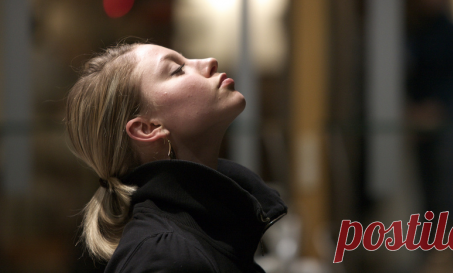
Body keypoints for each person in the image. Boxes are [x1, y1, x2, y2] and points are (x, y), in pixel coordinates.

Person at [65, 42, 287, 272]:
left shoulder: (218, 228)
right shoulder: (163, 255)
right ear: (148, 128)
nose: (210, 61)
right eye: (178, 70)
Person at [406, 0, 453, 234]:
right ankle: (430, 250)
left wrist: (435, 108)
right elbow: (409, 76)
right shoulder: (415, 31)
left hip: (447, 121)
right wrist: (413, 110)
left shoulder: (452, 32)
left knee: (447, 195)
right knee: (426, 197)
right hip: (418, 123)